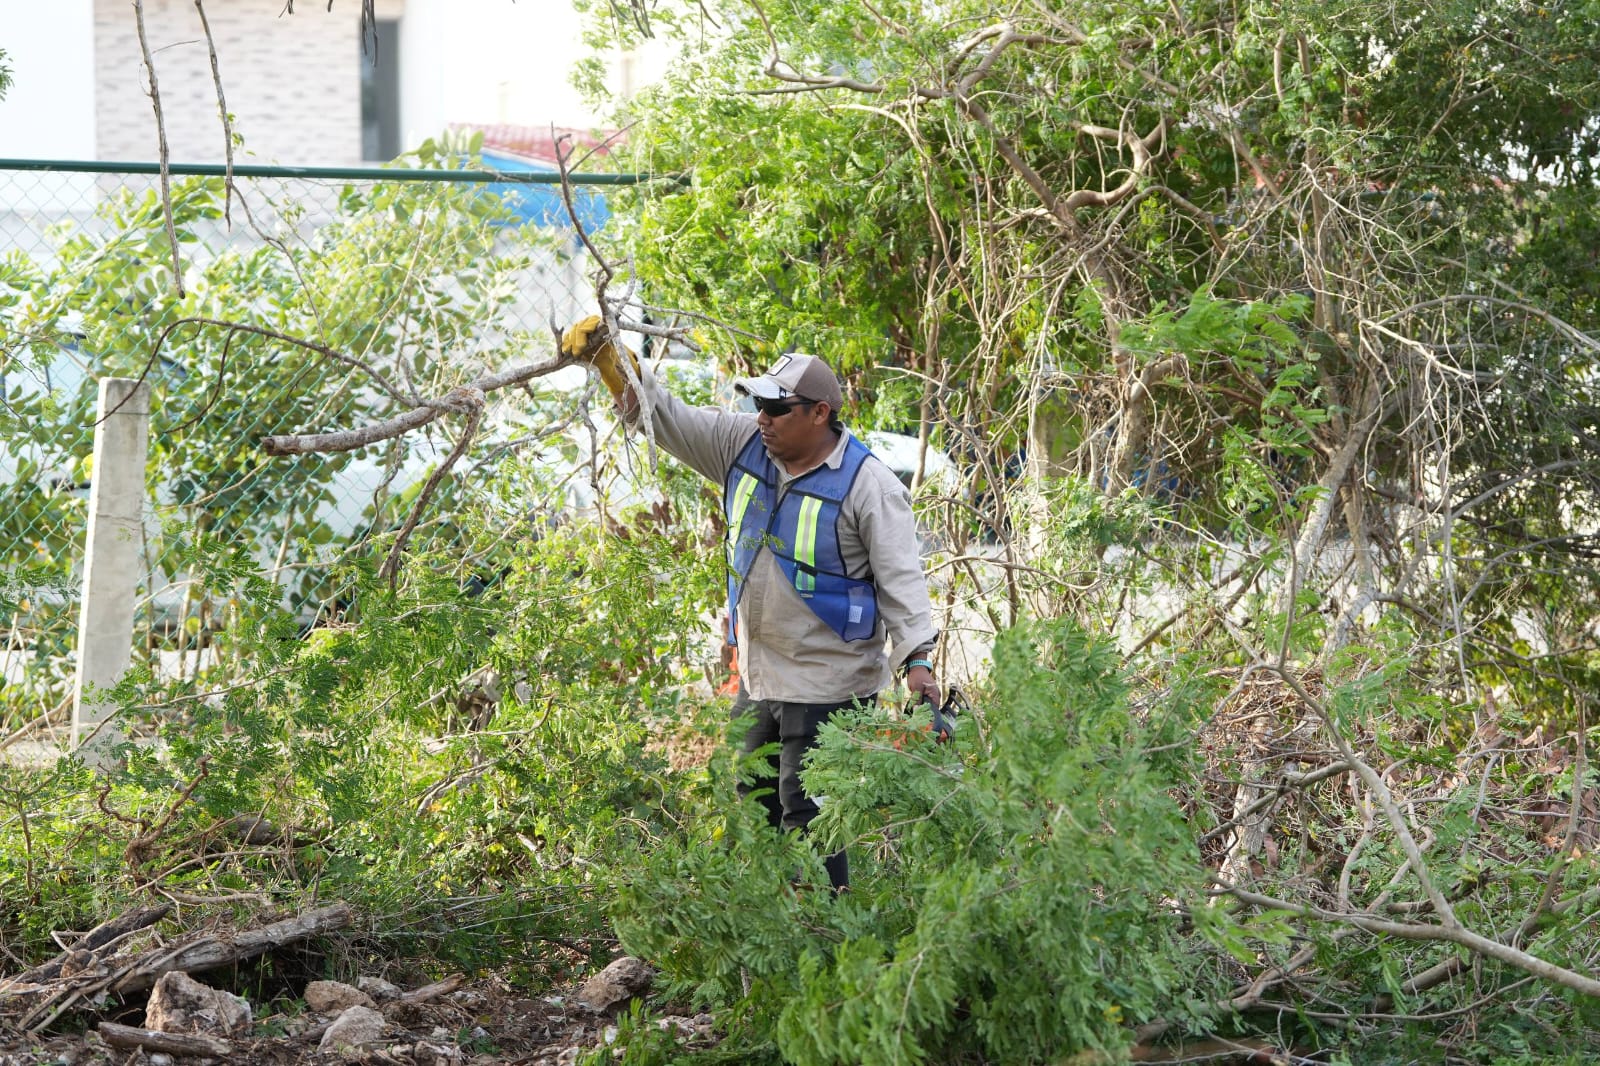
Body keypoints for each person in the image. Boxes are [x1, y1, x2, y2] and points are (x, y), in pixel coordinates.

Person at [560, 316, 941, 892]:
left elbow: (902, 583)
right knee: (754, 812)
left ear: (819, 412)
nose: (762, 419)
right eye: (758, 405)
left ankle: (823, 944)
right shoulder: (743, 444)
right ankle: (768, 942)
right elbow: (664, 418)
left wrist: (919, 664)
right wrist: (615, 365)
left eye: (777, 409)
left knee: (808, 820)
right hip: (761, 678)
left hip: (829, 685)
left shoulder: (869, 485)